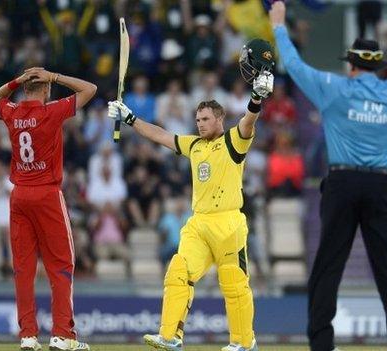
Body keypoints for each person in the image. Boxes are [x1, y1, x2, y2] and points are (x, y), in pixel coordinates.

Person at [269, 1, 387, 350]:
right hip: (380, 186)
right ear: (377, 67)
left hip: (343, 184)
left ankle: (322, 344)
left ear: (353, 67)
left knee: (328, 265)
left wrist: (280, 26)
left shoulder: (334, 88)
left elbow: (295, 66)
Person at [106, 39, 275, 351]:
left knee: (234, 284)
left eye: (205, 120)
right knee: (178, 270)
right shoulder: (194, 145)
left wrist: (256, 98)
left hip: (228, 224)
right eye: (197, 120)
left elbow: (249, 122)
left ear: (219, 119)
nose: (199, 125)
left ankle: (243, 342)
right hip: (199, 223)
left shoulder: (233, 142)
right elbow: (159, 135)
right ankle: (170, 336)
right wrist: (129, 118)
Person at [0, 67, 96, 351]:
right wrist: (55, 75)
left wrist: (17, 80)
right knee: (61, 265)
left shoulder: (12, 112)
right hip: (47, 194)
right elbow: (90, 89)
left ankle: (27, 336)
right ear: (46, 90)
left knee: (23, 269)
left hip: (19, 196)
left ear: (25, 89)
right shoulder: (51, 112)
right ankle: (62, 335)